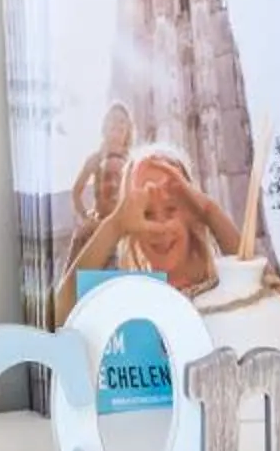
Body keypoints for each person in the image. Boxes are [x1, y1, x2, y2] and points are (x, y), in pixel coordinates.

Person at [53, 141, 251, 320]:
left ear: (193, 212)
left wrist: (209, 212)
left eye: (171, 209)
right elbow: (61, 315)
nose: (160, 227)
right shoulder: (131, 299)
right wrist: (115, 225)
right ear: (132, 231)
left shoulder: (225, 287)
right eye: (147, 214)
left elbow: (274, 297)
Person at [67, 103, 135, 254]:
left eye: (122, 121)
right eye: (113, 120)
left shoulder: (133, 161)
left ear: (128, 130)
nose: (117, 124)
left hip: (124, 223)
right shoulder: (95, 159)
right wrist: (86, 217)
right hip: (100, 222)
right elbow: (76, 191)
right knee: (81, 239)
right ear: (105, 127)